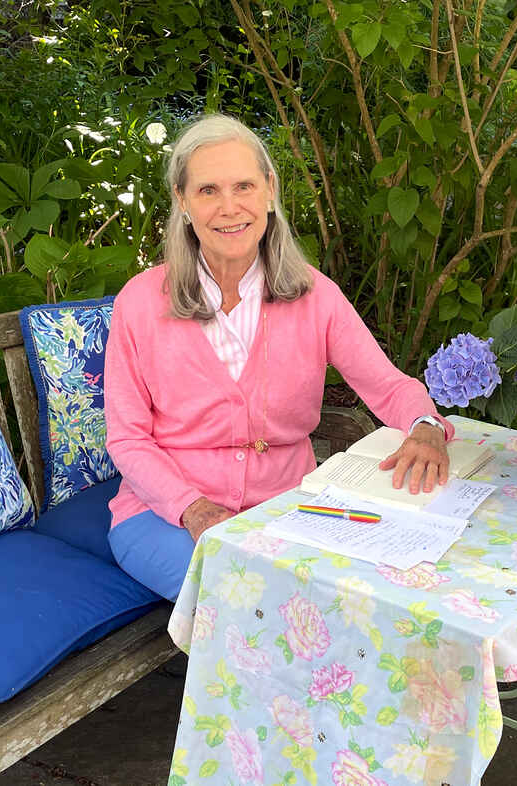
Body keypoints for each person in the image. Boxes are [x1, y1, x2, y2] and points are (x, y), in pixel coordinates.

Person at [104, 114, 452, 601]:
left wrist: (425, 426)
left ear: (269, 190)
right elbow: (128, 436)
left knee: (372, 593)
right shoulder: (140, 302)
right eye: (208, 191)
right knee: (249, 600)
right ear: (182, 201)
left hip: (289, 510)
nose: (229, 207)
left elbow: (388, 385)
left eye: (244, 185)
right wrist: (193, 508)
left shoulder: (315, 296)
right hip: (168, 517)